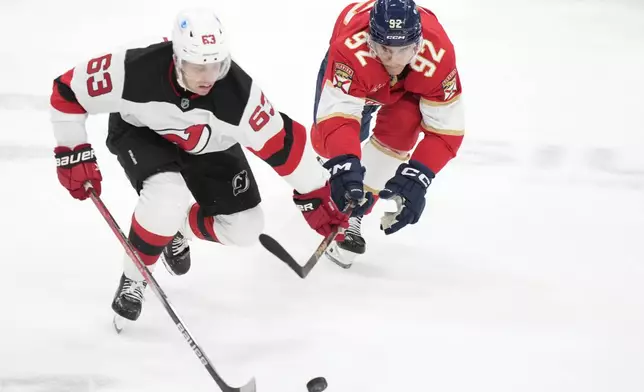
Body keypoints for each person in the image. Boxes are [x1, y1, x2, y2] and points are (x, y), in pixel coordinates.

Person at [50, 8, 350, 322]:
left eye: (216, 66)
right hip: (142, 132)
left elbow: (284, 145)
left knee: (246, 228)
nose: (208, 78)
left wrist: (317, 193)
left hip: (207, 144)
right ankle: (135, 276)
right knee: (168, 197)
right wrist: (72, 150)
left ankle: (175, 229)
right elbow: (67, 91)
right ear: (177, 57)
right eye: (197, 67)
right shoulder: (134, 68)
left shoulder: (239, 96)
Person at [311, 0, 465, 267]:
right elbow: (337, 119)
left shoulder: (438, 53)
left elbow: (446, 130)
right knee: (329, 146)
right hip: (362, 74)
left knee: (402, 130)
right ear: (370, 40)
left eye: (404, 49)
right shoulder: (349, 49)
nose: (394, 60)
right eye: (385, 48)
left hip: (411, 83)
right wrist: (343, 162)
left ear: (418, 43)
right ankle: (337, 174)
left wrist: (419, 177)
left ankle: (351, 215)